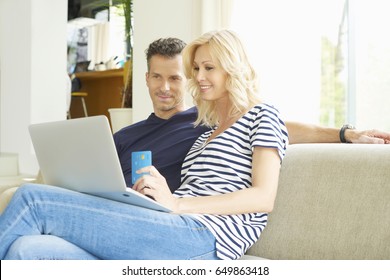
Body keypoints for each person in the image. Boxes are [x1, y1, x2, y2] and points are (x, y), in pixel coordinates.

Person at [0, 35, 389, 260]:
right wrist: (153, 198)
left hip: (202, 238)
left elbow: (263, 197)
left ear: (231, 69)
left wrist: (344, 133)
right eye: (197, 69)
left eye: (208, 68)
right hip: (171, 226)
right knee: (29, 251)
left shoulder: (262, 114)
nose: (198, 78)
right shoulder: (206, 132)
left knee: (34, 198)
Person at [114, 37, 390, 193]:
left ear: (186, 79)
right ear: (147, 79)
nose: (164, 87)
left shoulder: (205, 123)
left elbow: (275, 127)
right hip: (118, 205)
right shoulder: (122, 136)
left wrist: (346, 134)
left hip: (158, 215)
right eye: (157, 78)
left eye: (174, 78)